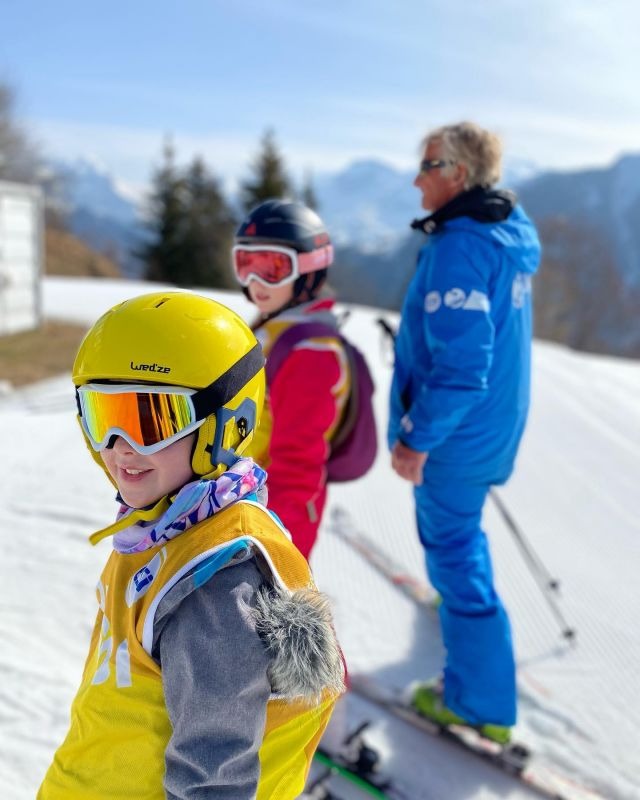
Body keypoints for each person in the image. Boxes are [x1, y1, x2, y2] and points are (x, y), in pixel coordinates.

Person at [38, 291, 344, 800]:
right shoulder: (163, 529)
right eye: (100, 415)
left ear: (228, 421)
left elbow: (214, 781)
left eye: (151, 421)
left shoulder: (216, 586)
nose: (120, 447)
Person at [389, 122, 541, 742]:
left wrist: (416, 438)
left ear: (457, 172)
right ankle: (460, 614)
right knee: (459, 539)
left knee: (453, 551)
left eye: (428, 164)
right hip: (491, 427)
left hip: (456, 436)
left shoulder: (462, 246)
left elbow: (459, 368)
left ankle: (479, 701)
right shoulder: (506, 232)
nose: (418, 176)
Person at [232, 199, 349, 560]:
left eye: (273, 267)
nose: (255, 281)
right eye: (245, 264)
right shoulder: (275, 327)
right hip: (242, 500)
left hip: (273, 514)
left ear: (309, 269)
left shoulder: (311, 352)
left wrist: (278, 548)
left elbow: (299, 464)